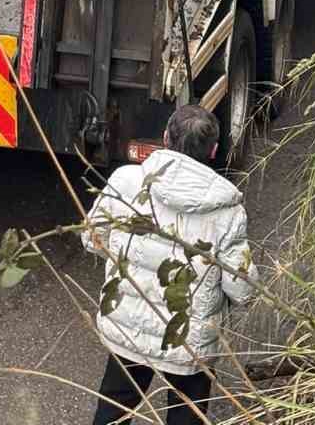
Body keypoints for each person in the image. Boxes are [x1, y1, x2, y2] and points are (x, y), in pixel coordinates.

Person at [84, 105, 257, 425]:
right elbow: (241, 285)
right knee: (186, 413)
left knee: (114, 406)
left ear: (165, 138)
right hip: (188, 341)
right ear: (214, 150)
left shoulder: (126, 181)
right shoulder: (228, 210)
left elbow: (92, 237)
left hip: (129, 327)